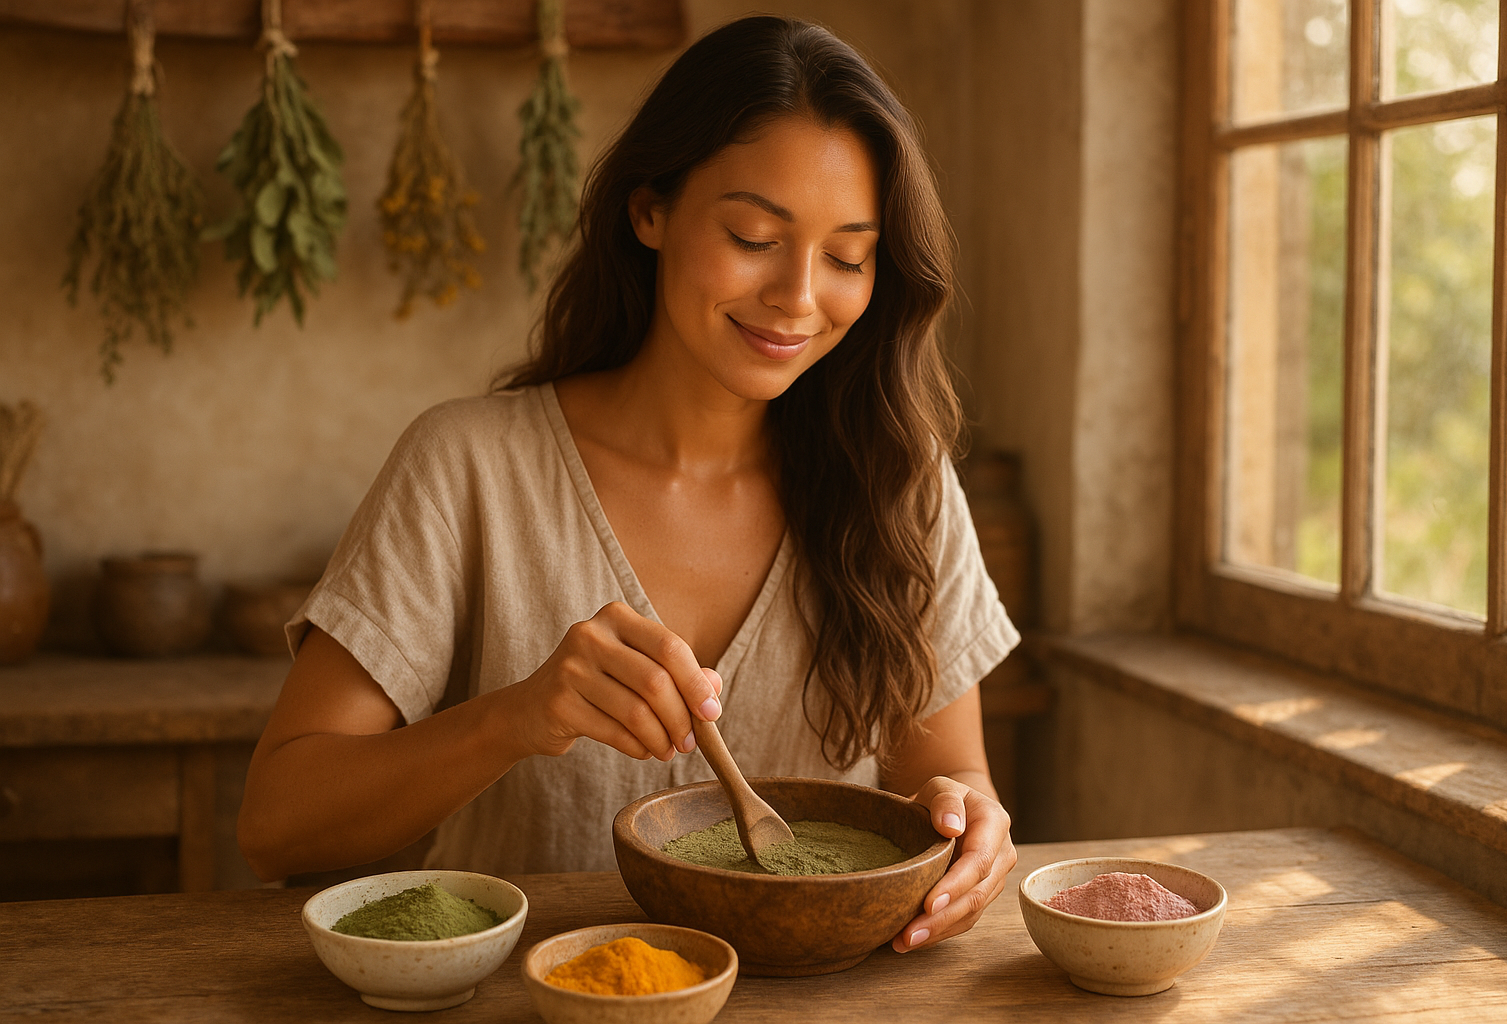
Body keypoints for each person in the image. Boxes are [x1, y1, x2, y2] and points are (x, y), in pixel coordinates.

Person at [237, 14, 1020, 955]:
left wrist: (968, 823)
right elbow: (276, 826)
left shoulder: (900, 481)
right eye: (753, 235)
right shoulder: (468, 467)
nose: (800, 297)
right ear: (650, 210)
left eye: (849, 256)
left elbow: (952, 779)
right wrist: (516, 718)